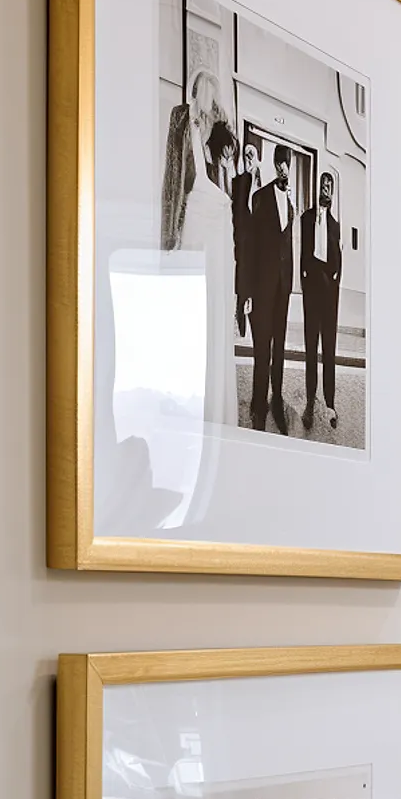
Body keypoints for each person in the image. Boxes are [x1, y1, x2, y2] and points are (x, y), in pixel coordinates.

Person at [159, 69, 237, 511]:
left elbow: (225, 156)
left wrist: (218, 123)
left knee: (211, 320)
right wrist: (168, 240)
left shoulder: (214, 139)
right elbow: (173, 182)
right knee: (190, 324)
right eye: (206, 96)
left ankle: (211, 417)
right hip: (194, 231)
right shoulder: (182, 121)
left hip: (214, 232)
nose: (209, 105)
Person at [249, 144, 296, 434]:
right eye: (279, 162)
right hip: (263, 285)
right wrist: (247, 292)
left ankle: (276, 398)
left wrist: (290, 280)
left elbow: (287, 243)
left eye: (286, 162)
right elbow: (251, 245)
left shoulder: (290, 201)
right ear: (273, 164)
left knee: (280, 346)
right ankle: (258, 402)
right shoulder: (260, 197)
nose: (282, 167)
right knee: (261, 347)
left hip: (283, 285)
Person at [299, 170, 343, 435]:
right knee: (310, 349)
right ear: (318, 188)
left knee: (329, 350)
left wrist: (334, 285)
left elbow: (338, 261)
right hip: (311, 291)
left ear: (332, 192)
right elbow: (302, 255)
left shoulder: (335, 225)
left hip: (330, 294)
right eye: (323, 185)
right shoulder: (306, 218)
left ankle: (330, 403)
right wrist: (305, 284)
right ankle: (309, 403)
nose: (325, 189)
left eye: (329, 186)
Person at [231, 139, 262, 337]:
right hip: (243, 236)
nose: (249, 159)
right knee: (242, 277)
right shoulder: (240, 180)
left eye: (252, 155)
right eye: (246, 155)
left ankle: (252, 318)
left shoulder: (261, 182)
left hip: (257, 239)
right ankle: (240, 319)